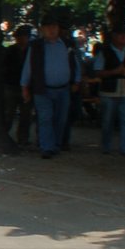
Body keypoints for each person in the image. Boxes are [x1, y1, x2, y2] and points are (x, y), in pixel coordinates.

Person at [19, 14, 79, 159]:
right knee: (45, 118)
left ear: (58, 29)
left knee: (60, 119)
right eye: (48, 27)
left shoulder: (67, 44)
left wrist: (76, 81)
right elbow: (28, 67)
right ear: (42, 29)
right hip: (43, 89)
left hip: (63, 88)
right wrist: (24, 86)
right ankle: (47, 147)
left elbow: (75, 64)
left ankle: (56, 144)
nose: (51, 30)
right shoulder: (36, 46)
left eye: (54, 27)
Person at [93, 28, 125, 157]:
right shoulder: (105, 52)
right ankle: (106, 146)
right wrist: (113, 72)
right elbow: (97, 71)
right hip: (109, 90)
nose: (123, 37)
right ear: (114, 36)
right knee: (107, 120)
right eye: (120, 34)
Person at [2, 24, 34, 147]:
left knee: (26, 115)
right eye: (19, 37)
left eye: (24, 36)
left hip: (26, 86)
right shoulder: (10, 51)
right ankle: (5, 136)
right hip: (11, 85)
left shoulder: (31, 51)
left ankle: (23, 139)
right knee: (8, 113)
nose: (21, 39)